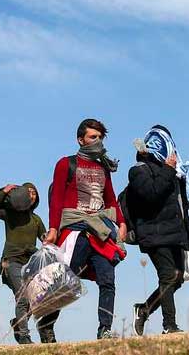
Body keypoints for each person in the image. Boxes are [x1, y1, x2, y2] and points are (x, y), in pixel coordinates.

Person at [43, 118, 128, 340]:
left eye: (100, 137)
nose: (97, 141)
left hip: (100, 231)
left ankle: (105, 329)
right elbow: (57, 200)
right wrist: (53, 229)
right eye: (93, 137)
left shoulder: (103, 168)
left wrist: (121, 222)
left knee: (107, 279)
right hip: (75, 230)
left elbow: (110, 199)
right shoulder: (65, 164)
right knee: (66, 279)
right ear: (80, 140)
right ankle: (47, 325)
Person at [127, 125, 189, 335]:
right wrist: (168, 169)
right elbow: (151, 195)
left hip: (175, 233)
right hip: (153, 233)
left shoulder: (175, 174)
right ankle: (169, 325)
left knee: (177, 278)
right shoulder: (138, 171)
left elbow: (180, 207)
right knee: (168, 275)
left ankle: (144, 309)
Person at [0, 182, 57, 344]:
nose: (31, 195)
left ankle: (18, 325)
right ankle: (24, 336)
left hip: (30, 264)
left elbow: (45, 240)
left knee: (34, 298)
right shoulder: (10, 214)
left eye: (34, 193)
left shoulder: (36, 219)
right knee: (23, 297)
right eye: (28, 192)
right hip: (11, 262)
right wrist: (4, 191)